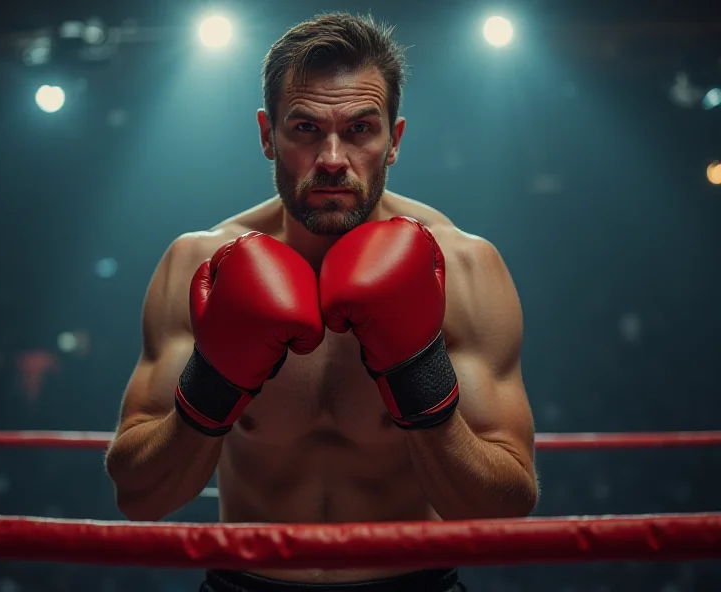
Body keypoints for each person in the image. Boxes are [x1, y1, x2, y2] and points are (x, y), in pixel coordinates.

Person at [105, 12, 538, 592]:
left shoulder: (464, 268)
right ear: (267, 135)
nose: (333, 158)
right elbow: (139, 496)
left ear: (394, 141)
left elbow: (505, 510)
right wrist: (215, 383)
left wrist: (418, 376)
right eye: (305, 128)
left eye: (360, 129)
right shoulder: (196, 265)